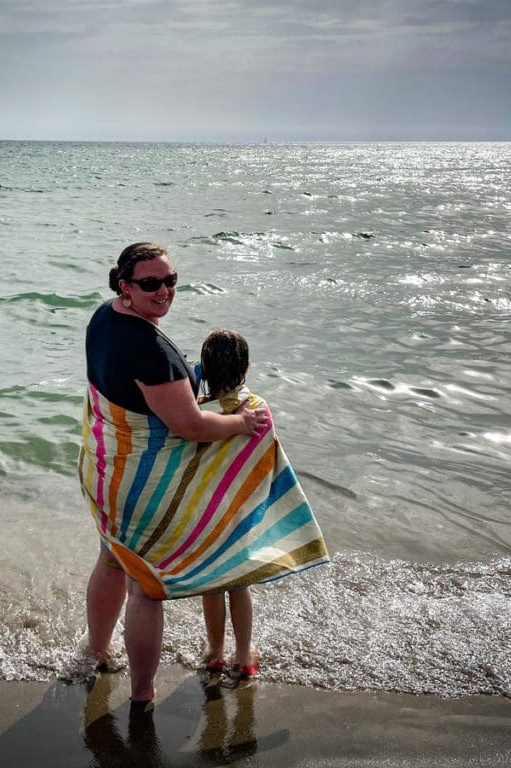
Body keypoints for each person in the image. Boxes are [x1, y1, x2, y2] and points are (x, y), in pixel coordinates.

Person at [79, 243, 328, 705]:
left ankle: (95, 652)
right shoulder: (153, 352)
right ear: (124, 285)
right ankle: (142, 694)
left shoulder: (103, 318)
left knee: (112, 559)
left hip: (104, 470)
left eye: (170, 280)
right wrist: (240, 423)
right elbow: (190, 426)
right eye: (151, 283)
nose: (164, 291)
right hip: (139, 487)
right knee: (147, 589)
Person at [198, 329, 261, 680]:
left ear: (203, 369)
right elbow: (266, 460)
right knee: (239, 584)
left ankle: (215, 652)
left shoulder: (198, 412)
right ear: (247, 366)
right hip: (239, 513)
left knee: (211, 585)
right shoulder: (256, 409)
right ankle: (243, 655)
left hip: (205, 514)